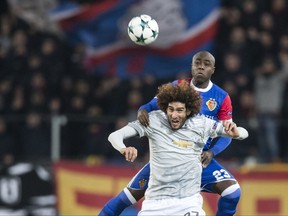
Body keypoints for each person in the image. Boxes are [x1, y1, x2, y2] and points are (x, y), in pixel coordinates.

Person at [99, 51, 241, 216]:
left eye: (206, 63)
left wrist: (212, 152)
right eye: (198, 63)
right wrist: (142, 111)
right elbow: (149, 107)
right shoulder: (177, 87)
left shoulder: (221, 98)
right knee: (125, 199)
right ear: (192, 66)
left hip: (198, 160)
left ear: (213, 69)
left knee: (232, 192)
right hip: (165, 160)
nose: (201, 66)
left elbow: (229, 133)